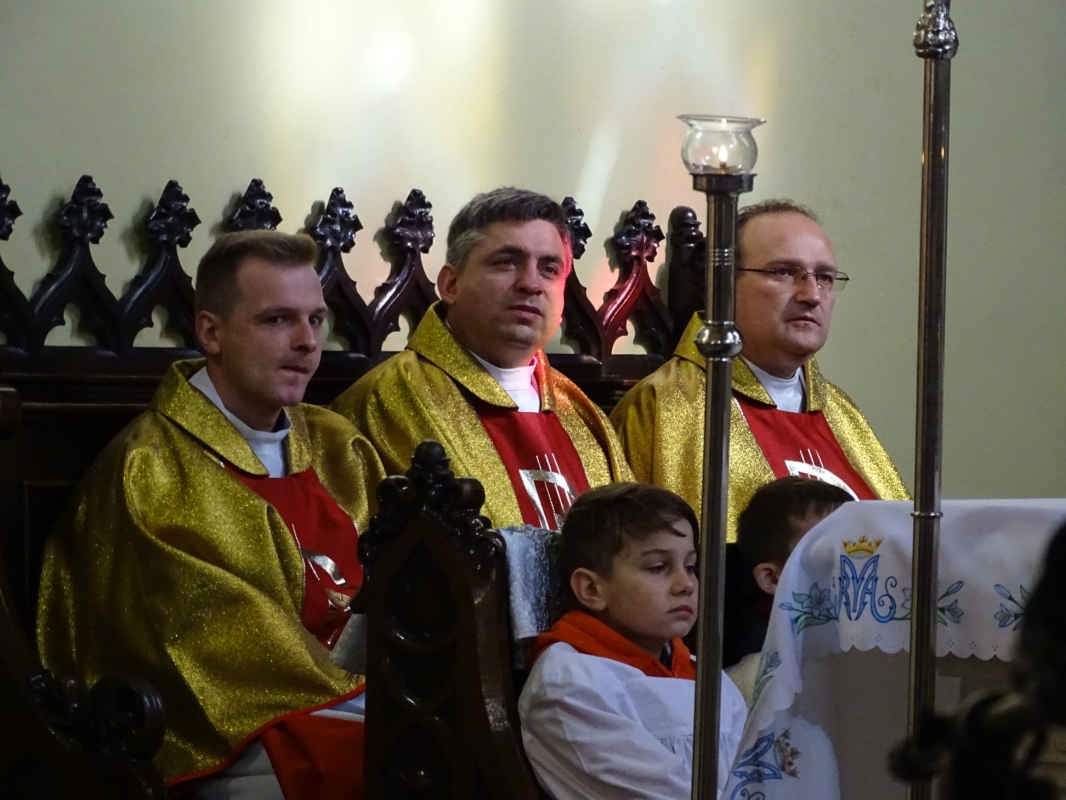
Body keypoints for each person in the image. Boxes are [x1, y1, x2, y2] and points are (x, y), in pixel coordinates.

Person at [36, 231, 386, 799]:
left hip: (362, 698)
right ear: (210, 332)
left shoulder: (339, 445)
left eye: (316, 320)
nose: (306, 342)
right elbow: (203, 652)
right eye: (277, 320)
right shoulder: (150, 470)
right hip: (230, 739)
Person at [332, 187, 631, 530]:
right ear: (451, 284)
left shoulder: (582, 414)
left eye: (549, 269)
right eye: (507, 262)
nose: (531, 284)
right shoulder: (380, 402)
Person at [611, 198, 908, 540]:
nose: (812, 295)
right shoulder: (661, 406)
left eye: (825, 278)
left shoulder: (844, 415)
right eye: (783, 272)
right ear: (722, 284)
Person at [519, 482, 747, 799]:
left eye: (690, 566)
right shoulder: (571, 684)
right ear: (591, 589)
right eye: (658, 567)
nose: (686, 585)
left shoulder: (707, 677)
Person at [726, 476, 853, 703]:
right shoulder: (750, 681)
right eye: (826, 551)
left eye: (852, 547)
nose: (848, 565)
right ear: (772, 578)